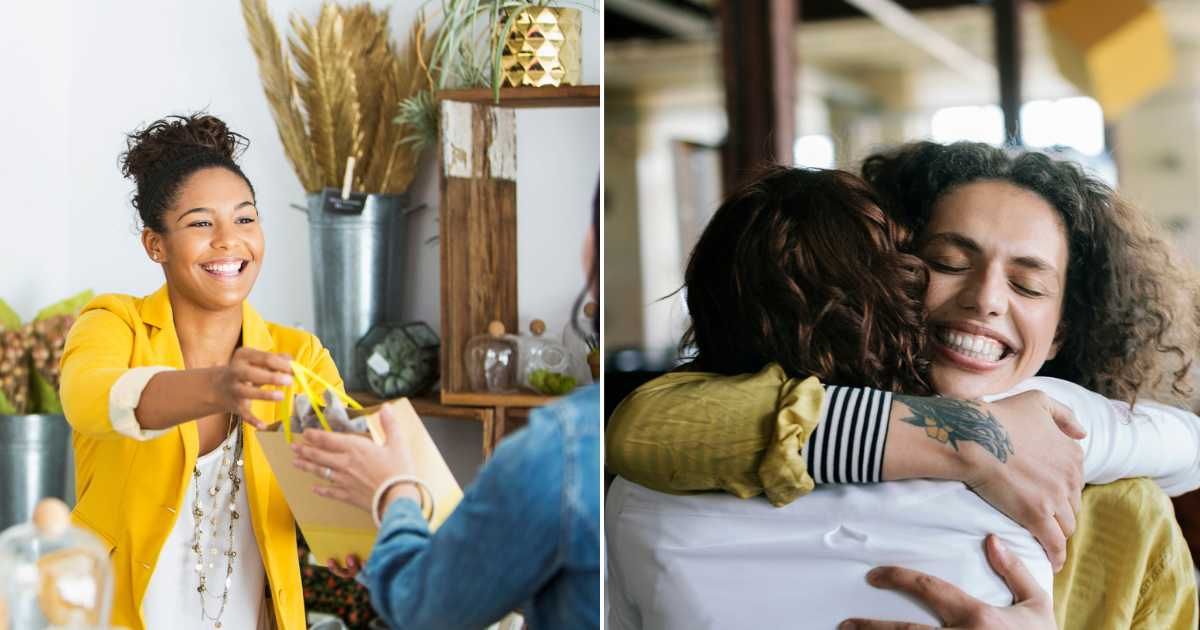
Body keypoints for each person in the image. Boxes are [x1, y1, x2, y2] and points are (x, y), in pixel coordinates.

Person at [606, 148, 1200, 628]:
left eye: (1028, 285)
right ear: (888, 274)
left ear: (1062, 332)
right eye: (948, 262)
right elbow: (644, 426)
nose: (986, 300)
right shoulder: (720, 441)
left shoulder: (1119, 506)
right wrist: (972, 439)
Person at [60, 114, 342, 630]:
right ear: (156, 244)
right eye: (200, 223)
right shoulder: (115, 323)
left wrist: (361, 519)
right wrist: (218, 387)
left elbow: (345, 501)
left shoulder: (299, 356)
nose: (229, 241)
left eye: (245, 219)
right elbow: (89, 399)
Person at [289, 187, 602, 628]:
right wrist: (384, 541)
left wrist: (395, 491)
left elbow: (427, 610)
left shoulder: (558, 449)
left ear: (590, 247)